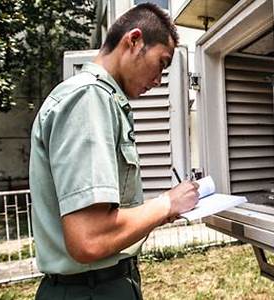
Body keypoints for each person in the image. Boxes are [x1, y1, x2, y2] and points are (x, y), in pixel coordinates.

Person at [29, 3, 199, 299]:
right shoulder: (89, 98)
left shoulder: (100, 99)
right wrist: (167, 204)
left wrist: (157, 214)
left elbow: (106, 218)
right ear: (133, 41)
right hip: (91, 290)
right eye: (162, 62)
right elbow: (90, 239)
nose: (159, 80)